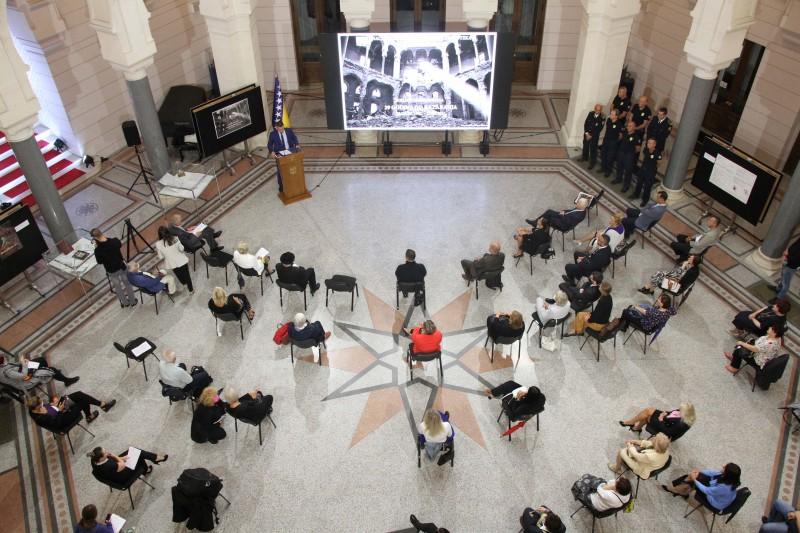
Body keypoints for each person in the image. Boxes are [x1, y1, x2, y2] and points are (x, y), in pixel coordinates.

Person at [663, 463, 741, 510]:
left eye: (724, 468)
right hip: (715, 492)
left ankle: (677, 489)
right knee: (695, 477)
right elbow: (713, 473)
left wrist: (695, 479)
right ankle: (682, 490)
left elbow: (707, 491)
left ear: (727, 474)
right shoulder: (730, 479)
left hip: (715, 501)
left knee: (693, 480)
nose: (722, 466)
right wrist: (699, 472)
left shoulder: (724, 487)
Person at [91, 228, 136, 307]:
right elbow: (119, 244)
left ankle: (125, 303)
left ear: (95, 238)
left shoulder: (98, 251)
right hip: (121, 267)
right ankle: (132, 301)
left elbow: (100, 262)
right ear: (101, 233)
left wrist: (96, 247)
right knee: (127, 283)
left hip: (111, 271)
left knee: (118, 287)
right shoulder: (114, 241)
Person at [88, 446, 167, 485]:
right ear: (101, 458)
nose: (107, 452)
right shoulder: (107, 466)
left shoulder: (94, 460)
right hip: (122, 477)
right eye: (105, 453)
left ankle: (153, 460)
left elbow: (116, 461)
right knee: (139, 455)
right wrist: (115, 456)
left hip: (114, 471)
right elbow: (121, 465)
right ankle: (153, 460)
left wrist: (121, 458)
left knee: (134, 450)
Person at [28, 392, 115, 427]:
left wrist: (53, 404)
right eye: (41, 404)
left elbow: (49, 407)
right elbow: (57, 423)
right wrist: (59, 410)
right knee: (83, 401)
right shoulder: (40, 419)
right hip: (63, 419)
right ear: (36, 407)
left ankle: (101, 405)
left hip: (58, 410)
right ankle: (101, 406)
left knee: (79, 395)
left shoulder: (35, 409)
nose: (43, 405)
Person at [619, 402, 696, 439]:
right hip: (667, 420)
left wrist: (661, 419)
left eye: (681, 410)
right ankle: (636, 427)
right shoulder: (682, 412)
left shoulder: (682, 424)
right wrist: (666, 413)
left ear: (686, 413)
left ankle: (632, 424)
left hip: (665, 429)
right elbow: (673, 412)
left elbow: (667, 432)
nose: (679, 410)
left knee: (647, 416)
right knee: (648, 411)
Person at [0, 354, 79, 389]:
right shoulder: (7, 372)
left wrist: (23, 362)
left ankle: (48, 374)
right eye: (3, 358)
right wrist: (24, 364)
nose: (5, 357)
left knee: (41, 360)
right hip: (26, 381)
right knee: (52, 370)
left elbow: (13, 366)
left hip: (22, 372)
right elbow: (24, 376)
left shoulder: (4, 366)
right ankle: (66, 381)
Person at [155, 226, 193, 293]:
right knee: (187, 275)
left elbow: (161, 257)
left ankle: (184, 284)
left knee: (179, 275)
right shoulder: (175, 238)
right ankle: (191, 290)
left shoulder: (158, 244)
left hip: (171, 263)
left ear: (159, 234)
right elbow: (182, 249)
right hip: (181, 260)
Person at [267, 120, 301, 193]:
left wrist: (297, 144)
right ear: (276, 128)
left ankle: (293, 182)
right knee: (280, 170)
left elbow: (294, 138)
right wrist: (271, 151)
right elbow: (269, 144)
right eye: (279, 129)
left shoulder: (289, 131)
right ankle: (281, 186)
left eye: (282, 128)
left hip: (290, 152)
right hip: (279, 154)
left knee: (292, 167)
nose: (281, 130)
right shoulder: (272, 134)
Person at [631, 138, 662, 206]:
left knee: (647, 186)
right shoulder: (646, 150)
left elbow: (659, 162)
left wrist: (653, 167)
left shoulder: (657, 153)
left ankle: (645, 200)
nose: (648, 144)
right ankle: (636, 194)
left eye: (650, 143)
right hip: (643, 169)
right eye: (648, 143)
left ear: (654, 144)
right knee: (639, 183)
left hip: (650, 171)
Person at [613, 121, 641, 192]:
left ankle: (626, 185)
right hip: (621, 152)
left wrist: (630, 153)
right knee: (619, 167)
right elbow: (621, 139)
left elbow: (638, 149)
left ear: (634, 127)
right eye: (628, 126)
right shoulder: (625, 132)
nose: (628, 127)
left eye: (630, 126)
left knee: (628, 171)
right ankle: (618, 179)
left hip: (629, 155)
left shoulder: (636, 137)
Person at [770, 236, 800, 301]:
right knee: (783, 276)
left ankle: (779, 297)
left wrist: (787, 256)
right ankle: (778, 289)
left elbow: (797, 259)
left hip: (792, 265)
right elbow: (794, 244)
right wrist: (787, 250)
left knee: (786, 282)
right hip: (788, 260)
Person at [601, 108, 624, 177]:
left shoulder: (619, 124)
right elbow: (607, 131)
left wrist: (615, 142)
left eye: (612, 114)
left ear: (616, 116)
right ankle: (603, 168)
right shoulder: (608, 120)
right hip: (606, 140)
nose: (610, 115)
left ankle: (608, 171)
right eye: (611, 114)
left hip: (613, 142)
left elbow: (620, 135)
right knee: (603, 154)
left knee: (610, 157)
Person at [582, 104, 605, 169]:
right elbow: (586, 123)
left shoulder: (602, 117)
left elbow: (599, 128)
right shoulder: (590, 113)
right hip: (587, 134)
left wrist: (591, 135)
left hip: (594, 136)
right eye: (596, 110)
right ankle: (584, 157)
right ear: (594, 109)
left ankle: (592, 163)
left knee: (593, 149)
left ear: (601, 110)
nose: (598, 111)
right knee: (585, 146)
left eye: (599, 110)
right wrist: (586, 133)